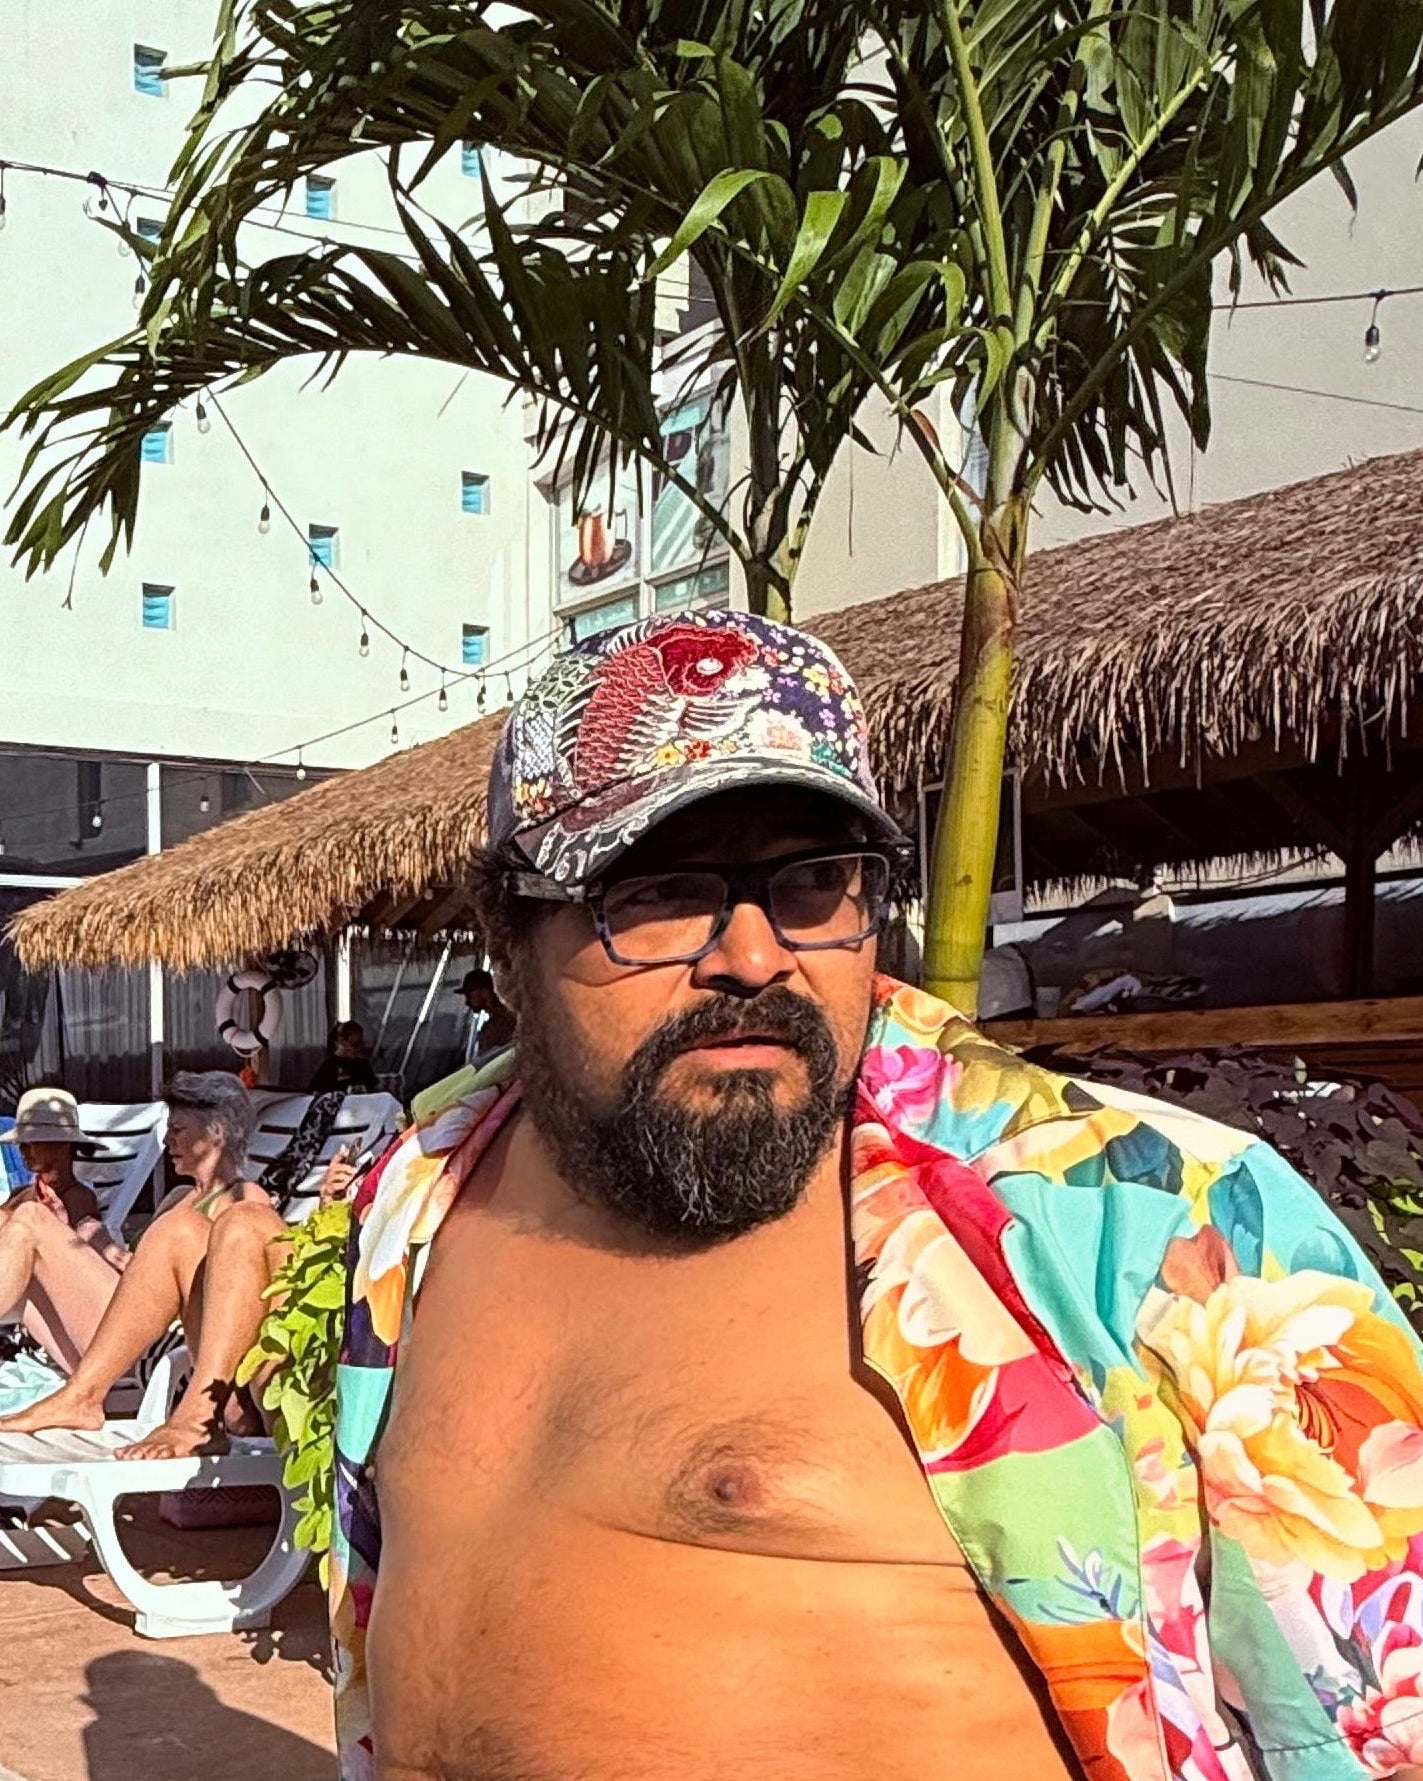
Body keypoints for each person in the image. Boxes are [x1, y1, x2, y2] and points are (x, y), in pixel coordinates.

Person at [329, 610, 1423, 1781]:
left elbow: (1384, 1725)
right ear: (507, 933)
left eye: (812, 883)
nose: (751, 954)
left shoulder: (1156, 1222)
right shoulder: (423, 1190)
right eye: (658, 889)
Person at [0, 1071, 286, 1460]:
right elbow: (150, 1282)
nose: (167, 1141)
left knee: (32, 1222)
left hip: (168, 1352)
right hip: (135, 1339)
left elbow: (231, 1291)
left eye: (178, 1129)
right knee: (25, 1219)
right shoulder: (180, 1200)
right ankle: (80, 1394)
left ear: (216, 1134)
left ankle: (83, 1394)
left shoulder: (246, 1201)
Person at [0, 1088, 129, 1382]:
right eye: (22, 1142)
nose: (24, 1148)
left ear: (63, 1145)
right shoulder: (23, 1194)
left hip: (73, 1310)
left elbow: (88, 1234)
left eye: (34, 1141)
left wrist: (60, 1225)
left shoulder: (77, 1196)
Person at [456, 966, 515, 1059]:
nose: (467, 1002)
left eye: (469, 995)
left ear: (484, 992)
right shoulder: (497, 1020)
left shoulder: (505, 1021)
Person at [309, 1021, 379, 1095]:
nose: (359, 1049)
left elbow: (374, 1088)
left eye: (361, 1043)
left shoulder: (363, 1064)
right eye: (355, 1044)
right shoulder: (329, 1066)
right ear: (342, 1041)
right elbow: (314, 1092)